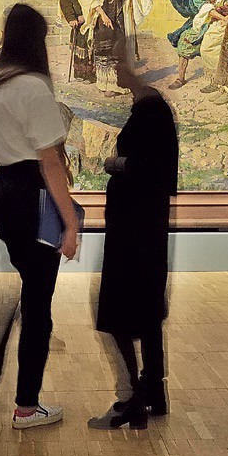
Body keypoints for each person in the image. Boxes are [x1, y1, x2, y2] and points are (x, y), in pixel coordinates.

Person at [0, 4, 79, 429]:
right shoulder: (32, 86)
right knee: (38, 305)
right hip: (34, 194)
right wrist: (71, 221)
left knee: (26, 291)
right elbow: (49, 161)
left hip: (5, 192)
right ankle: (27, 406)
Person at [88, 40, 177, 430]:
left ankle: (133, 397)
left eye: (119, 61)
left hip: (135, 228)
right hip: (143, 225)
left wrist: (116, 162)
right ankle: (152, 390)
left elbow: (150, 166)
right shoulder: (150, 106)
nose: (115, 68)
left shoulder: (150, 110)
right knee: (146, 309)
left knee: (120, 310)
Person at [77, 0, 165, 95]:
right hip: (98, 15)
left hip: (115, 13)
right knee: (103, 48)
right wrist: (102, 15)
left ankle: (115, 84)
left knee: (116, 48)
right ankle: (104, 83)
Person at [165, 0, 228, 92]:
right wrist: (222, 18)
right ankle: (181, 78)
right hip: (207, 21)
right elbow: (204, 9)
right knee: (185, 41)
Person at [58, 0, 95, 83]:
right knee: (78, 47)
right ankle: (79, 73)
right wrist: (71, 18)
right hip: (76, 22)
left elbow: (93, 1)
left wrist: (85, 16)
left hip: (89, 20)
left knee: (89, 47)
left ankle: (90, 75)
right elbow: (65, 3)